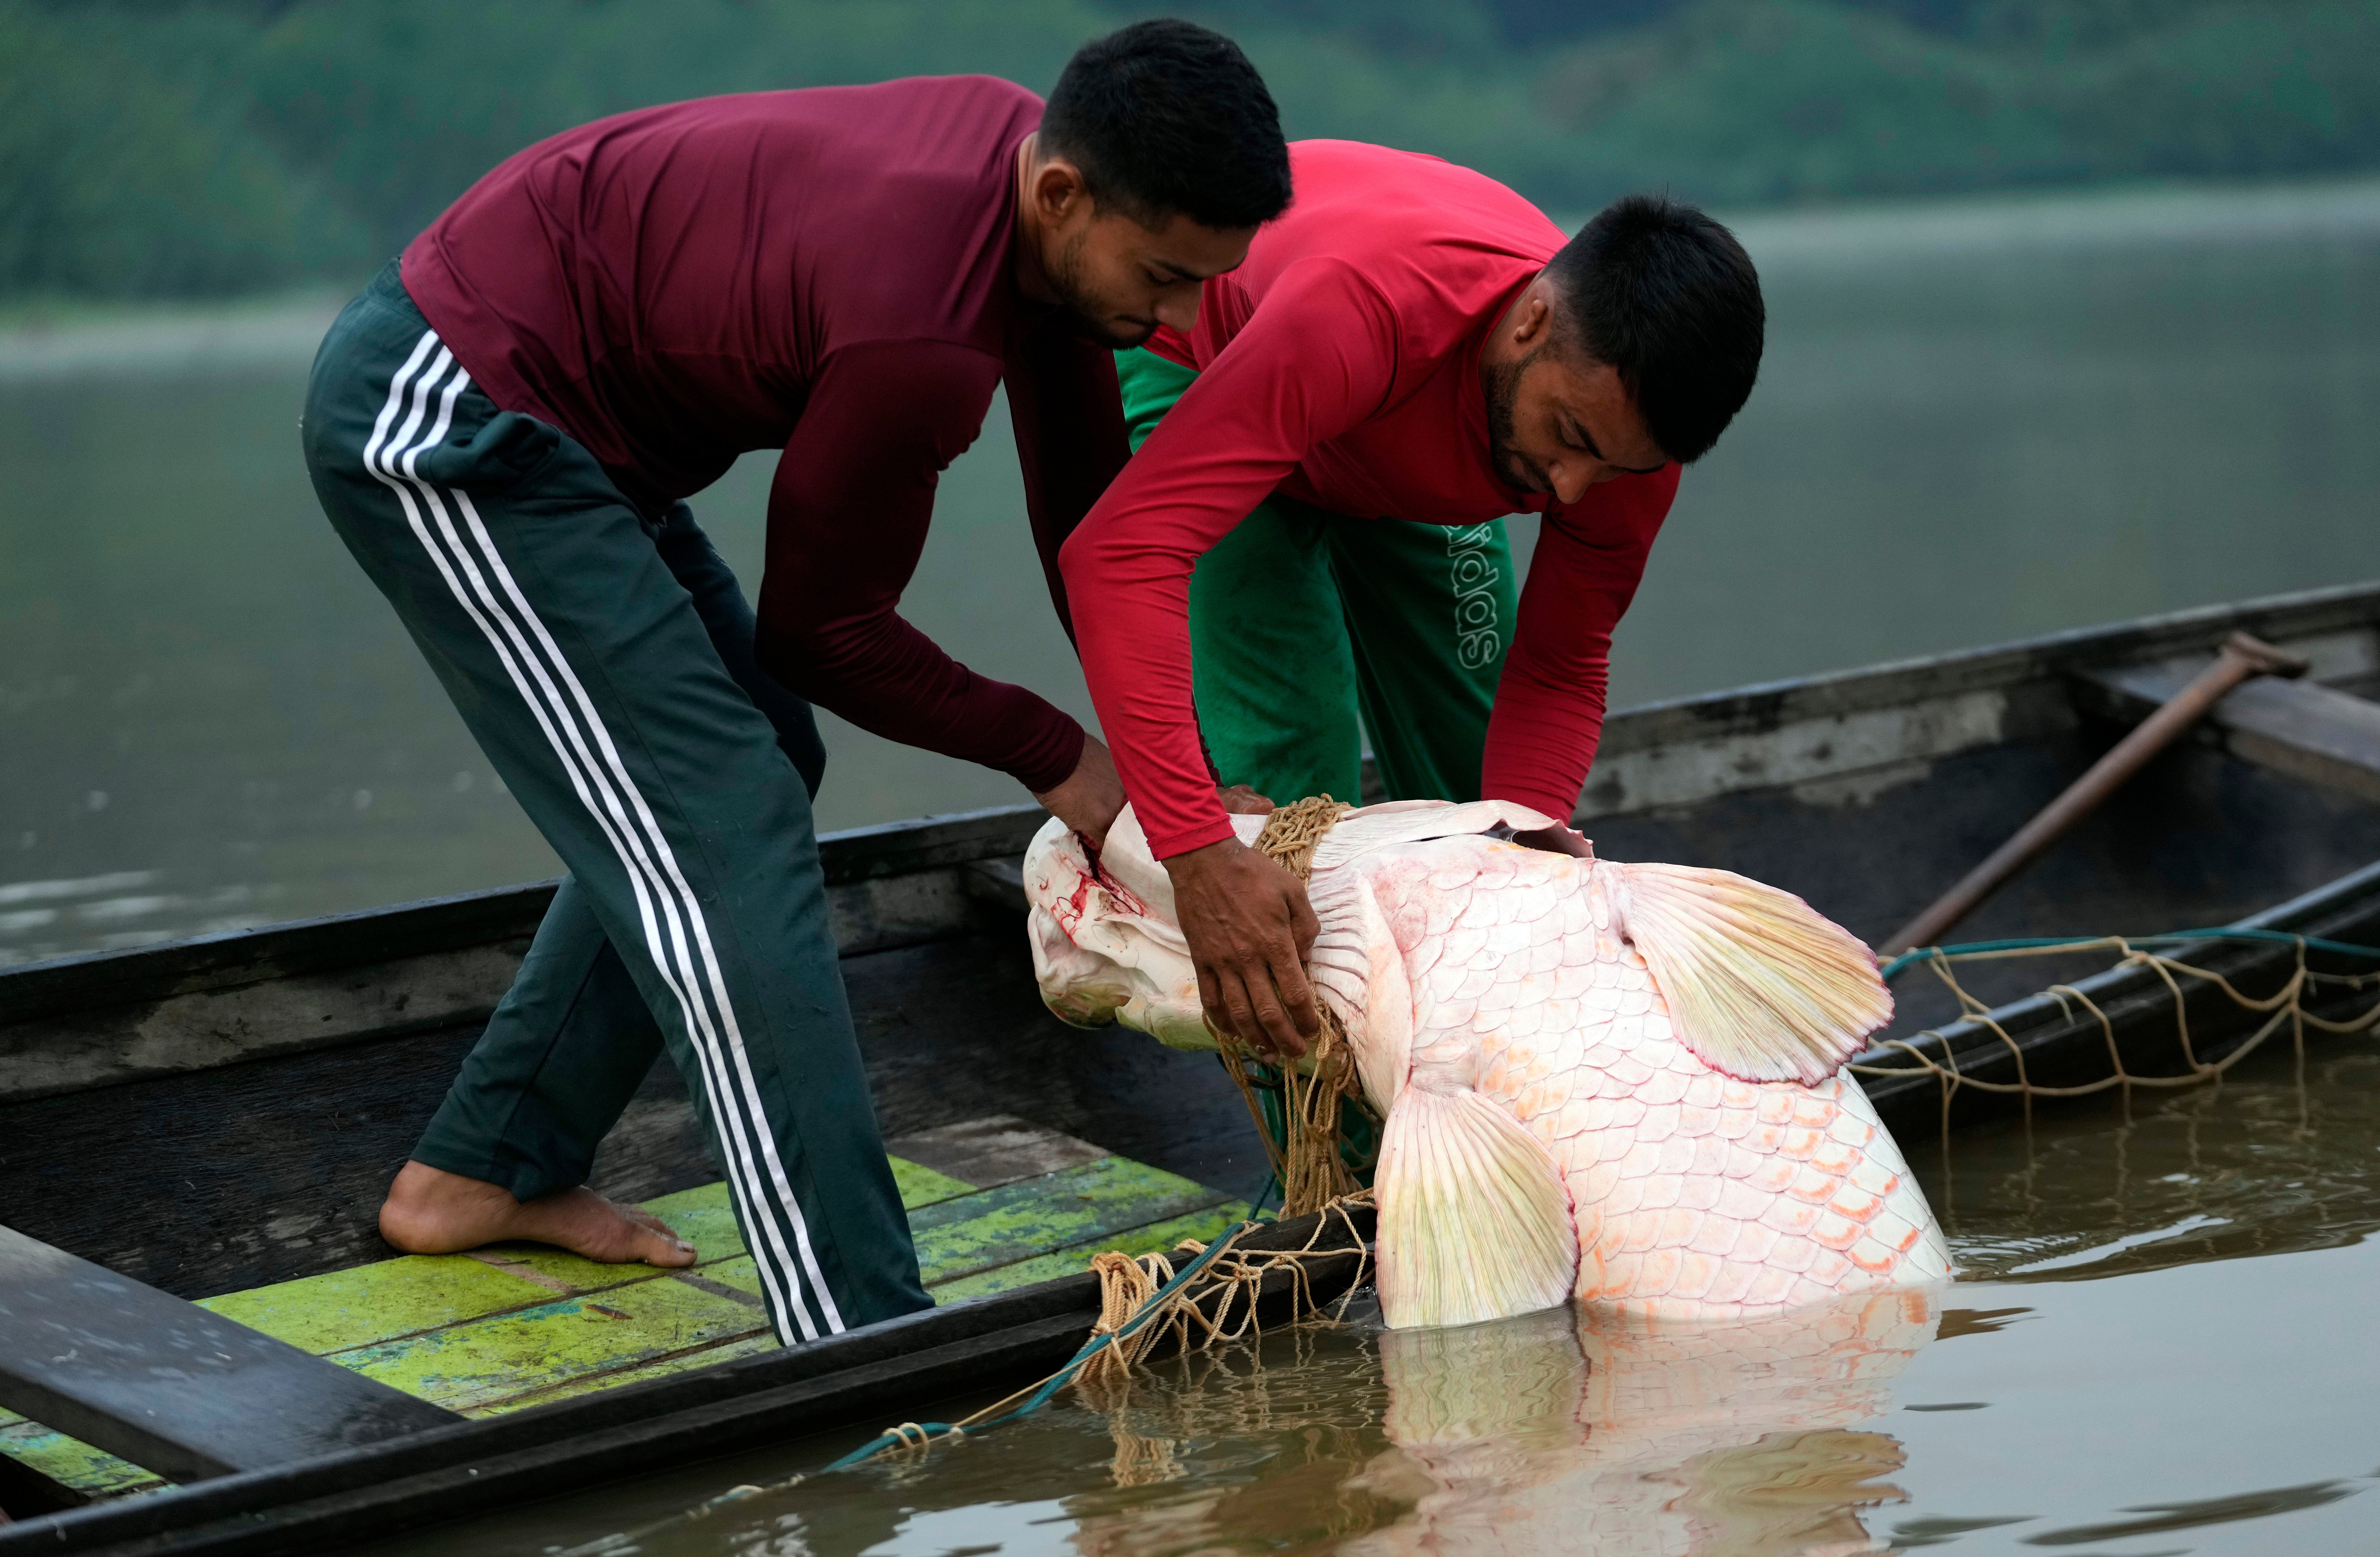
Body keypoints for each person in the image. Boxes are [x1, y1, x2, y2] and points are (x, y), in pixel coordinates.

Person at [298, 21, 1291, 1342]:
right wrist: (1062, 758)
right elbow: (823, 634)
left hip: (587, 438)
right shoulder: (917, 341)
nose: (1175, 322)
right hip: (452, 414)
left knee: (762, 760)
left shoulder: (1035, 192)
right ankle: (858, 1325)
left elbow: (1090, 536)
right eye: (1166, 277)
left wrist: (1176, 788)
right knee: (721, 828)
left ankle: (489, 1166)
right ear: (1064, 195)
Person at [1064, 144, 1766, 1062]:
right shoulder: (1363, 312)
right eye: (1569, 438)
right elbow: (1120, 557)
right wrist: (1194, 851)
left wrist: (1528, 852)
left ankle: (1495, 1102)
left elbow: (1561, 661)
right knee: (1283, 813)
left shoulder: (1624, 442)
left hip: (1416, 454)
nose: (1571, 490)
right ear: (1529, 325)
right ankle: (1327, 1167)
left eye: (1613, 467)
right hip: (1226, 371)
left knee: (1494, 813)